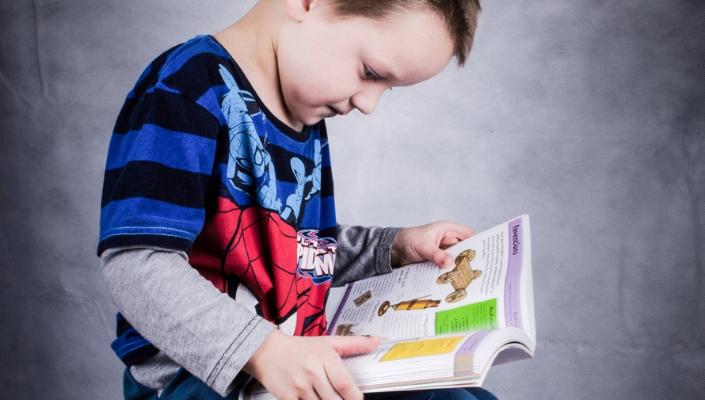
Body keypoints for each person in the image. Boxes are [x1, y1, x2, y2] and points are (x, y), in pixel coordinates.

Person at [98, 0, 495, 399]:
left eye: (385, 89)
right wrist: (263, 349)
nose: (368, 104)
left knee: (462, 396)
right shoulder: (188, 89)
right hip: (198, 381)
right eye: (370, 73)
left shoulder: (305, 118)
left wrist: (391, 247)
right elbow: (136, 264)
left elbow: (294, 248)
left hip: (292, 361)